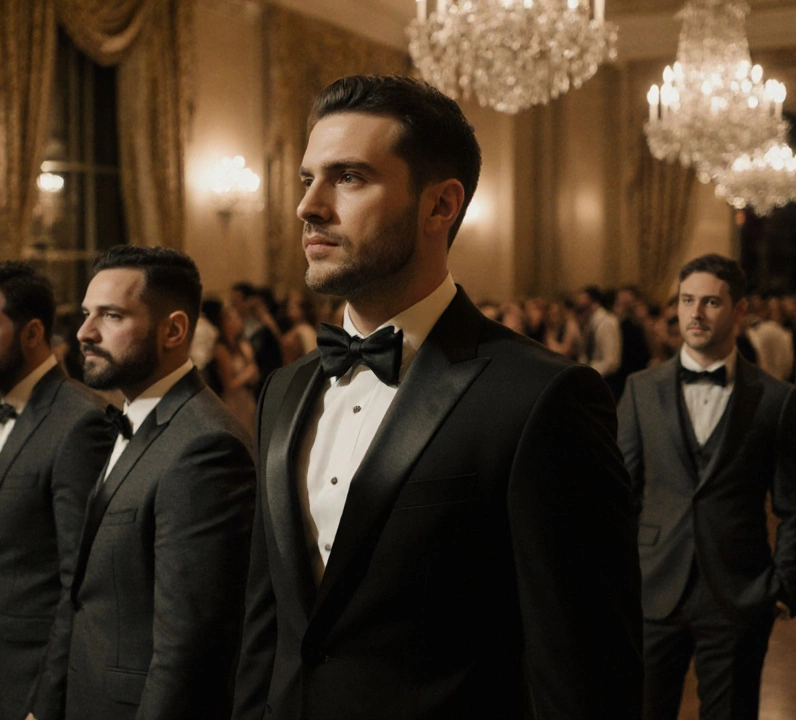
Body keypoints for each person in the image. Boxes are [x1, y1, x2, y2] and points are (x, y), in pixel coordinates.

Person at [234, 75, 642, 720]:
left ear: (439, 206)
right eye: (306, 179)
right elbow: (266, 627)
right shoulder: (286, 390)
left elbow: (585, 668)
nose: (308, 206)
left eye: (349, 178)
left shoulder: (541, 398)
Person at [60, 245, 255, 720]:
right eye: (87, 314)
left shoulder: (205, 446)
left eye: (110, 315)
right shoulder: (135, 416)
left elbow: (187, 647)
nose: (84, 332)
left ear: (173, 330)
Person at [619, 255, 796, 720]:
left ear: (739, 311)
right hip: (652, 587)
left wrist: (782, 584)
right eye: (686, 301)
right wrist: (618, 580)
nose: (695, 314)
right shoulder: (641, 389)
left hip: (739, 592)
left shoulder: (775, 400)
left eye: (710, 302)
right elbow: (619, 494)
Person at [0, 262, 113, 720]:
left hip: (32, 684)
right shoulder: (0, 403)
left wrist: (46, 703)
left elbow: (77, 584)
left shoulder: (78, 421)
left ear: (32, 333)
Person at [215, 305, 260, 435]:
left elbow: (255, 373)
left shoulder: (242, 344)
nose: (236, 322)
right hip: (233, 402)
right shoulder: (221, 349)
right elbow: (228, 385)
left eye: (237, 318)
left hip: (247, 398)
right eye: (231, 319)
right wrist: (248, 372)